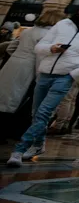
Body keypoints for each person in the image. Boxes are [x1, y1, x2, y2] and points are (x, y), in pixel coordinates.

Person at [7, 1, 79, 167]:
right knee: (36, 113)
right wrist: (51, 48)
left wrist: (74, 74)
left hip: (65, 77)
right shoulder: (63, 24)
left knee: (44, 112)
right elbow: (39, 47)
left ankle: (19, 150)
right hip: (45, 73)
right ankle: (39, 145)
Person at [0, 10, 60, 139]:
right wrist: (39, 75)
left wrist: (18, 56)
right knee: (16, 98)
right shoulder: (48, 35)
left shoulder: (27, 31)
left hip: (13, 63)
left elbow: (10, 48)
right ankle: (5, 131)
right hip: (29, 66)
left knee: (5, 95)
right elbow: (40, 56)